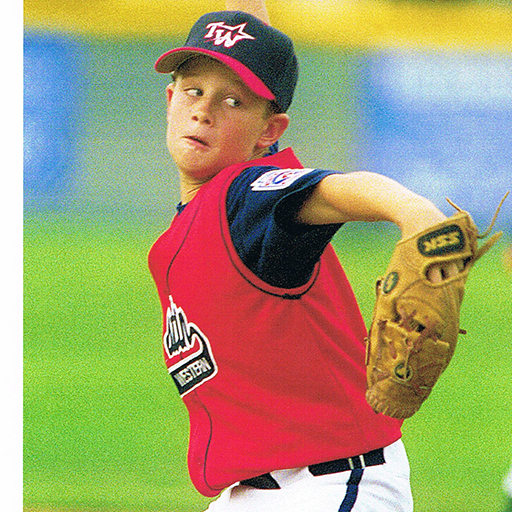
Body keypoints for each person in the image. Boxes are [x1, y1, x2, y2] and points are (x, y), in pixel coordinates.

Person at [148, 1, 459, 510]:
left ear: (270, 133)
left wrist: (415, 213)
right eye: (194, 91)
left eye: (233, 103)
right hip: (252, 492)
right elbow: (244, 43)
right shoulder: (201, 214)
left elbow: (337, 190)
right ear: (170, 98)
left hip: (330, 487)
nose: (203, 110)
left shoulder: (247, 195)